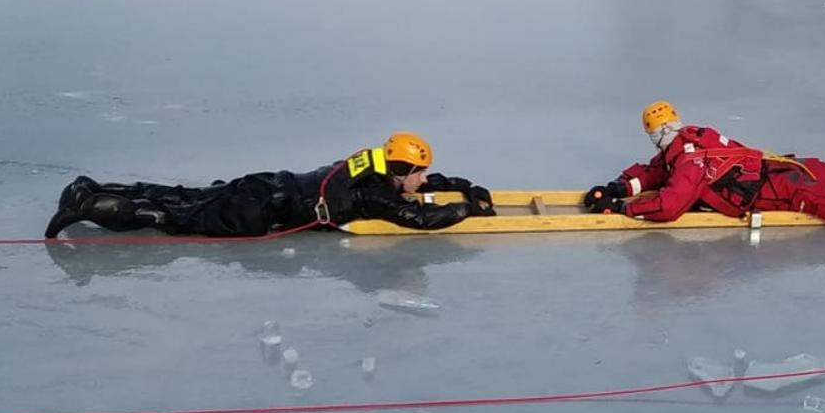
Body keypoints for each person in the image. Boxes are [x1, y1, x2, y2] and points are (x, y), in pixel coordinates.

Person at [583, 101, 825, 234]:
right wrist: (620, 186)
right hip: (785, 167)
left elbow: (670, 205)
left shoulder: (687, 161)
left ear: (655, 135)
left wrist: (624, 209)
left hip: (787, 191)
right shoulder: (692, 139)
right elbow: (655, 172)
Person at [43, 132, 496, 238]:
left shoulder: (370, 165)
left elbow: (414, 189)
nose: (423, 179)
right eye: (419, 173)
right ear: (398, 170)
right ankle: (86, 205)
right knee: (171, 216)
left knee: (182, 195)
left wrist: (457, 182)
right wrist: (468, 210)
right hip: (259, 213)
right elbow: (418, 216)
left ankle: (93, 185)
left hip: (267, 184)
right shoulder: (375, 192)